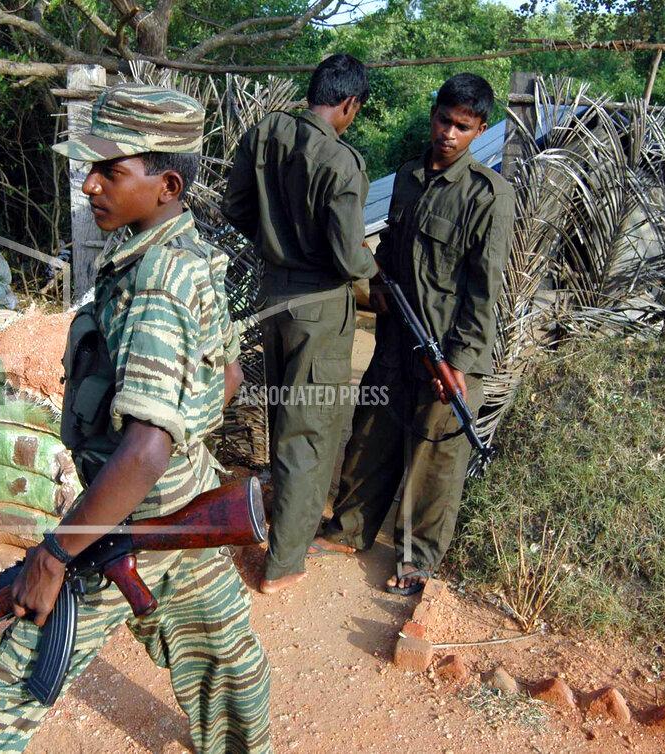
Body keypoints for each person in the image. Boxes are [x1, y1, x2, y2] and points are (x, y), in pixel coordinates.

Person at [0, 84, 271, 754]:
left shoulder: (153, 287)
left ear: (167, 184)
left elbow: (145, 450)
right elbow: (227, 374)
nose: (90, 184)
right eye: (88, 167)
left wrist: (57, 553)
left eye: (110, 171)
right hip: (187, 508)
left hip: (131, 525)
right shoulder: (191, 259)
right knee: (230, 671)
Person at [314, 73, 516, 595]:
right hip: (396, 338)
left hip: (448, 351)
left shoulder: (488, 195)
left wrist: (459, 361)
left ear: (480, 130)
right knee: (371, 434)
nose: (450, 133)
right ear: (434, 116)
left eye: (463, 127)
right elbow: (390, 257)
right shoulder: (406, 177)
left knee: (435, 460)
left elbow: (483, 288)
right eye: (445, 120)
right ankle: (351, 528)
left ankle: (417, 559)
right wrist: (375, 288)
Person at [221, 53, 378, 594]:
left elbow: (234, 205)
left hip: (272, 296)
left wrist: (274, 240)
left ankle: (277, 530)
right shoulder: (343, 162)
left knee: (281, 419)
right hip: (320, 307)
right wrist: (369, 266)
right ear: (350, 103)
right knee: (307, 434)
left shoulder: (266, 131)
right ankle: (284, 563)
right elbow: (346, 256)